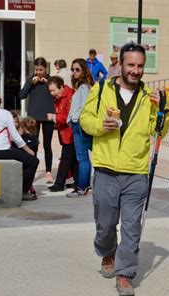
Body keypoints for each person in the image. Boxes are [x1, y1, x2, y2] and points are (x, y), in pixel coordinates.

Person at [80, 42, 169, 296]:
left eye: (140, 66)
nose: (136, 70)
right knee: (105, 224)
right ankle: (108, 251)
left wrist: (162, 109)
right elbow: (85, 121)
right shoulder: (100, 90)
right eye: (131, 65)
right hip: (106, 169)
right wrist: (101, 125)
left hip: (136, 173)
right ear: (120, 65)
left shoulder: (149, 96)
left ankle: (125, 273)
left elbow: (159, 131)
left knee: (132, 227)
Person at [0, 90, 39, 201]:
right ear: (0, 101)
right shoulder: (5, 113)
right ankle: (23, 191)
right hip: (1, 151)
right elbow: (15, 136)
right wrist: (29, 150)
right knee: (33, 161)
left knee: (22, 157)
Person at [19, 57, 55, 184]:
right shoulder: (31, 80)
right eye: (37, 69)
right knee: (32, 145)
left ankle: (48, 172)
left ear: (45, 68)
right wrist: (30, 84)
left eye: (41, 69)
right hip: (33, 118)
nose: (39, 72)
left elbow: (56, 94)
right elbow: (21, 95)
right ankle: (31, 171)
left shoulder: (51, 80)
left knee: (47, 145)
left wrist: (47, 83)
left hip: (47, 116)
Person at [66, 58, 94, 198]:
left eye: (77, 69)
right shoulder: (82, 87)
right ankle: (85, 185)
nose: (74, 72)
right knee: (84, 158)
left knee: (82, 158)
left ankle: (82, 187)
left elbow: (84, 106)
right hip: (79, 124)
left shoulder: (83, 87)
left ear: (83, 70)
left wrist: (73, 119)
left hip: (79, 124)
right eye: (73, 69)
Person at [47, 76, 77, 192]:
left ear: (61, 88)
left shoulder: (70, 96)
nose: (52, 93)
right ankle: (79, 181)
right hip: (65, 133)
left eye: (53, 90)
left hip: (71, 133)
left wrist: (55, 117)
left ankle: (59, 183)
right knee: (72, 159)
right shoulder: (59, 98)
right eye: (50, 91)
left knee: (65, 159)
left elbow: (70, 116)